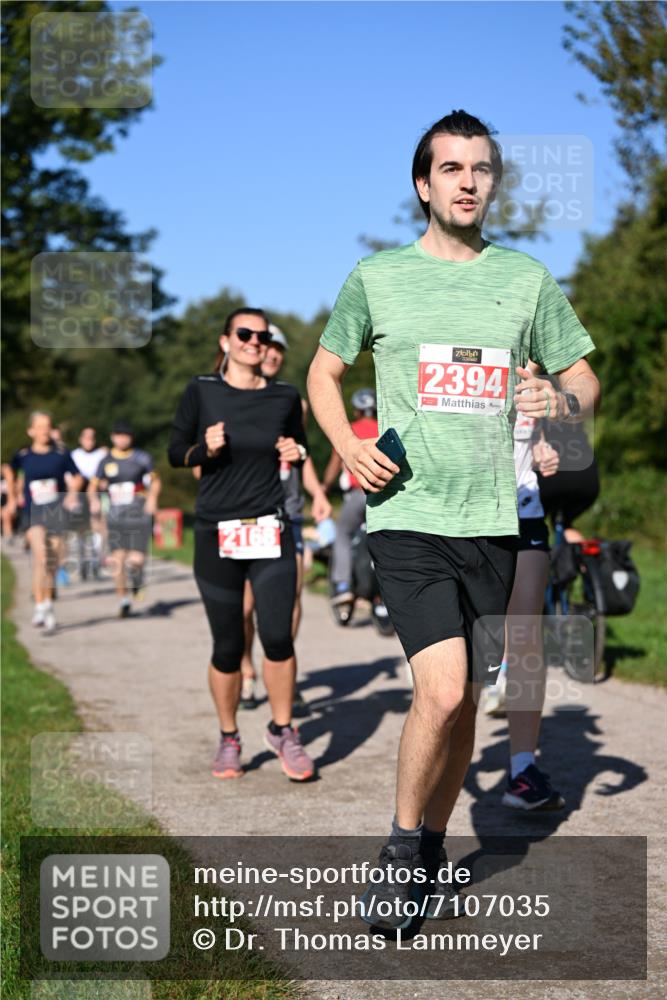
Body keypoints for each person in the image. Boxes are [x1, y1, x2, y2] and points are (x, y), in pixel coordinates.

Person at [307, 109, 599, 928]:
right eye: (451, 168)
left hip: (495, 523)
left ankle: (433, 841)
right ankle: (402, 852)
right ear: (421, 183)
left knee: (466, 696)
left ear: (493, 183)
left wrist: (561, 403)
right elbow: (323, 373)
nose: (467, 181)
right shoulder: (377, 277)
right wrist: (346, 448)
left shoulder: (526, 279)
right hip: (408, 516)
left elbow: (581, 378)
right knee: (438, 690)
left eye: (481, 169)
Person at [168, 307, 316, 783]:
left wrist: (297, 452)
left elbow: (298, 444)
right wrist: (204, 450)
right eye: (244, 333)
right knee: (229, 645)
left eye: (262, 334)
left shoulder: (284, 396)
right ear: (226, 340)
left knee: (277, 636)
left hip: (270, 528)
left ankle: (283, 729)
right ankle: (229, 737)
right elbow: (176, 454)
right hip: (216, 531)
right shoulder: (202, 391)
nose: (255, 340)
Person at [481, 383, 567, 810]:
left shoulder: (533, 380)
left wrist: (544, 452)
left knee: (526, 637)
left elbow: (533, 439)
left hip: (524, 511)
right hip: (466, 518)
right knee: (464, 645)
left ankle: (521, 770)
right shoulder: (464, 359)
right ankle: (439, 750)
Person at [239, 323, 332, 712]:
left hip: (288, 512)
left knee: (291, 600)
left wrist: (317, 492)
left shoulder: (295, 401)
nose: (273, 353)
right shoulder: (233, 397)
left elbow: (301, 454)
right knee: (245, 607)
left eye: (279, 348)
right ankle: (246, 669)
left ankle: (284, 675)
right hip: (245, 515)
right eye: (268, 346)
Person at [5, 412, 83, 634]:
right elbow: (9, 470)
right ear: (31, 431)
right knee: (41, 556)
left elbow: (77, 476)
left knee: (54, 560)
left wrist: (72, 493)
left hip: (56, 512)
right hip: (33, 513)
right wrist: (12, 498)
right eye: (39, 427)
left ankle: (46, 602)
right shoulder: (24, 455)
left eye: (47, 427)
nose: (44, 431)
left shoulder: (61, 454)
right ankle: (40, 605)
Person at [88, 421, 160, 617]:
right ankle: (123, 600)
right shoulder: (105, 461)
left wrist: (152, 499)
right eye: (118, 435)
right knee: (117, 561)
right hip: (115, 517)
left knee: (135, 560)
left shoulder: (141, 458)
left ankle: (137, 580)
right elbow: (92, 487)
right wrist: (94, 501)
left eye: (126, 435)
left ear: (131, 438)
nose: (122, 439)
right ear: (113, 437)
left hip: (138, 515)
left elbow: (155, 481)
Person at [322, 388, 378, 611]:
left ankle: (343, 585)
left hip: (358, 495)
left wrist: (324, 488)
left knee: (343, 533)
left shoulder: (351, 431)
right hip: (383, 496)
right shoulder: (385, 428)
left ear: (356, 410)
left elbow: (336, 464)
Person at [70, 427, 108, 580]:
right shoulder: (74, 455)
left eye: (92, 438)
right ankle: (82, 561)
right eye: (86, 438)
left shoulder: (102, 454)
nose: (89, 441)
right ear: (81, 439)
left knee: (99, 527)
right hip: (80, 494)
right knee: (81, 530)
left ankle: (96, 560)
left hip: (97, 494)